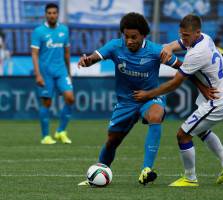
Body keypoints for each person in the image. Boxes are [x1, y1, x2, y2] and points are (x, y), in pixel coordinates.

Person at [77, 12, 184, 186]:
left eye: (133, 37)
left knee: (156, 115)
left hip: (149, 98)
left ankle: (146, 170)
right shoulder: (115, 46)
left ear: (143, 35)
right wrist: (87, 60)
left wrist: (206, 84)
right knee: (112, 141)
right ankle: (98, 173)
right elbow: (95, 57)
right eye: (126, 36)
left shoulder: (156, 51)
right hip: (125, 102)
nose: (129, 41)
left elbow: (184, 68)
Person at [133, 14, 223, 186]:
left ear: (197, 32)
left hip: (217, 101)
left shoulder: (197, 53)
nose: (183, 39)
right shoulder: (204, 38)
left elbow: (175, 83)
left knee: (183, 135)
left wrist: (149, 94)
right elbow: (178, 44)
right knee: (201, 131)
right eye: (181, 34)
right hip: (221, 95)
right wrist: (168, 46)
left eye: (186, 36)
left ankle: (190, 178)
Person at [31, 3, 74, 144]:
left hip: (61, 71)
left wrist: (69, 73)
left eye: (54, 13)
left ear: (58, 14)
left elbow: (67, 53)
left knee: (70, 98)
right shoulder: (38, 31)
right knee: (47, 103)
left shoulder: (64, 30)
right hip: (45, 73)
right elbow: (34, 54)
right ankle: (45, 136)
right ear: (45, 14)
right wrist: (38, 74)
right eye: (49, 13)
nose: (52, 15)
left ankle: (61, 131)